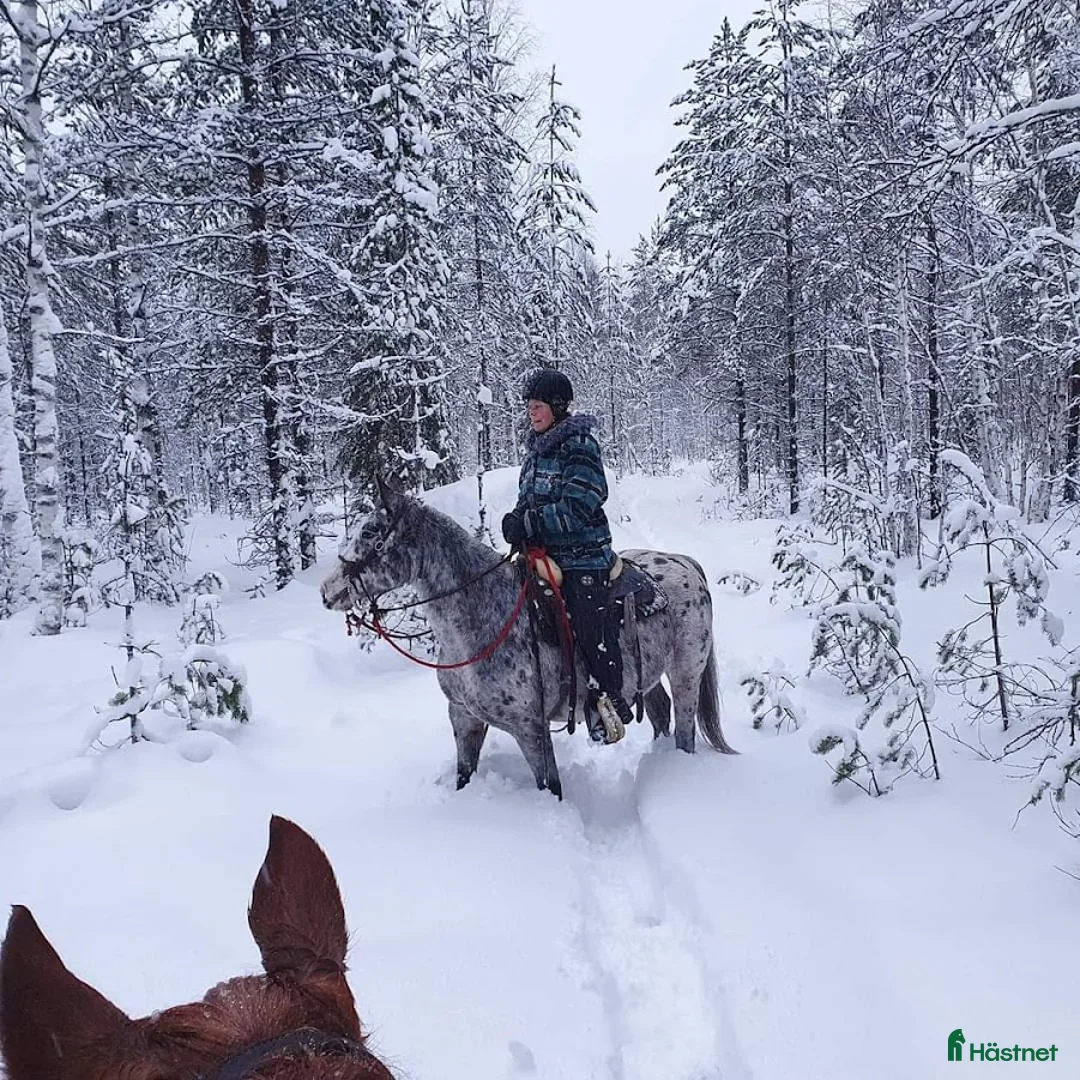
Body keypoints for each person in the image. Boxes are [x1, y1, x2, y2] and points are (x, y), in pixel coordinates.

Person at [501, 368, 635, 744]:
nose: (531, 412)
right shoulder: (535, 452)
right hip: (544, 554)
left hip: (583, 556)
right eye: (529, 405)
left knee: (585, 620)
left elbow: (578, 506)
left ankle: (606, 700)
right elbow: (527, 500)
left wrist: (530, 522)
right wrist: (516, 520)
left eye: (538, 405)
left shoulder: (580, 446)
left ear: (558, 407)